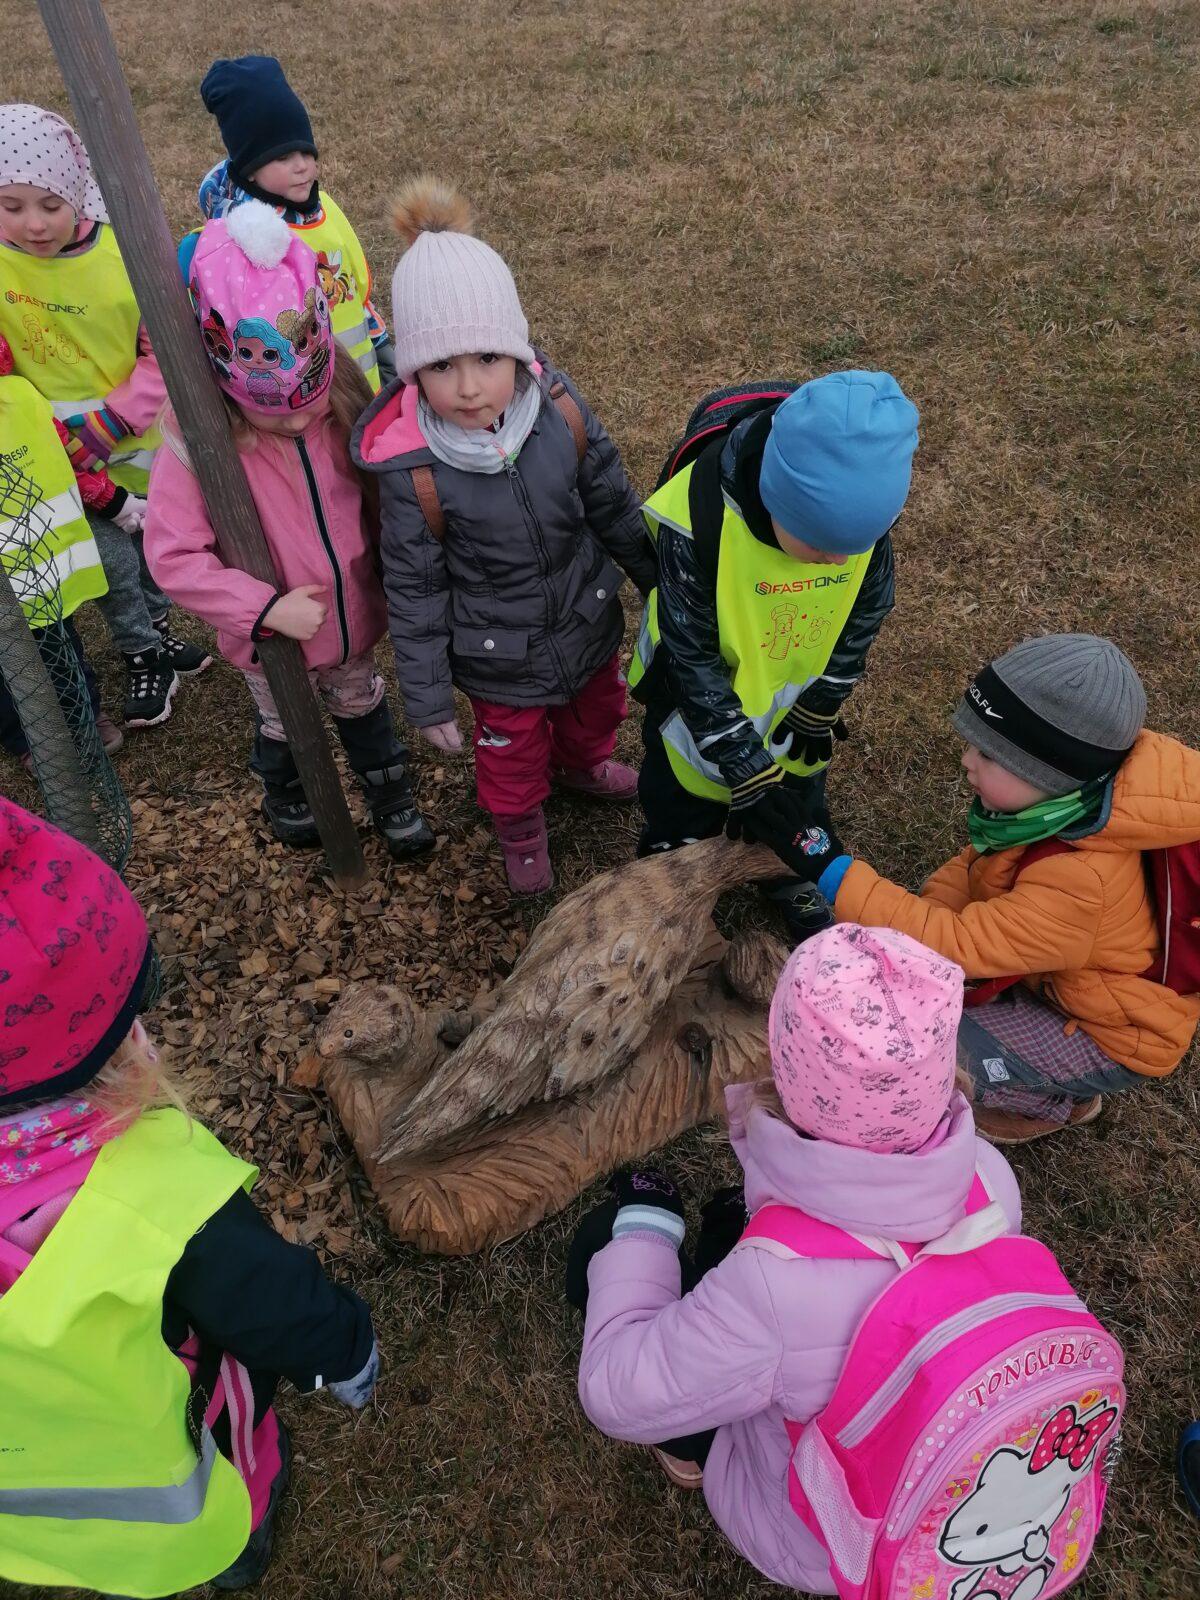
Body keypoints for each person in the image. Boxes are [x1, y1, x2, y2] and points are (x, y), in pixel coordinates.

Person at [569, 922, 1022, 1593]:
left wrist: (646, 1233)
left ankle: (691, 1450)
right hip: (938, 1494)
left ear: (789, 1072)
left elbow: (614, 1391)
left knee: (606, 1235)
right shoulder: (990, 1180)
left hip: (818, 1540)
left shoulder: (773, 1289)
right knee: (735, 1235)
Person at [0, 795, 379, 1595]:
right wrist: (347, 1349)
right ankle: (240, 1544)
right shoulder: (155, 1197)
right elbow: (273, 1302)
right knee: (228, 1480)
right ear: (106, 1056)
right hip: (170, 1462)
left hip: (32, 1489)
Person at [767, 633, 1200, 1142]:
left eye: (991, 756)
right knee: (917, 1003)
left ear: (1050, 772)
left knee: (924, 1058)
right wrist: (917, 948)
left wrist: (831, 868)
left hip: (1105, 1034)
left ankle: (1052, 1099)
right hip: (1063, 982)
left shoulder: (1083, 881)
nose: (967, 760)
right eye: (973, 743)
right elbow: (971, 870)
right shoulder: (1061, 809)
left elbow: (960, 944)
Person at [353, 180, 657, 893]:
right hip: (498, 658)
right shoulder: (413, 470)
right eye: (440, 366)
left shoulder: (559, 412)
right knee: (511, 755)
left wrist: (656, 574)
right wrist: (426, 696)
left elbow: (610, 498)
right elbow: (416, 589)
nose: (467, 387)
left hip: (584, 621)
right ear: (411, 372)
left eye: (486, 359)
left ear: (517, 353)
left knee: (598, 707)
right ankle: (521, 831)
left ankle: (583, 766)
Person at [145, 201, 433, 858]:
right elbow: (172, 556)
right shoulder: (198, 446)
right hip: (270, 644)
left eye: (310, 411)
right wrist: (266, 609)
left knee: (365, 712)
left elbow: (380, 497)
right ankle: (287, 793)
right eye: (279, 419)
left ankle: (390, 795)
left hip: (352, 619)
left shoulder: (345, 403)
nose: (302, 425)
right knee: (281, 726)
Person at [629, 371, 915, 943]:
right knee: (682, 794)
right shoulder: (699, 521)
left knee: (796, 796)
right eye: (818, 547)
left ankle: (787, 869)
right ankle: (671, 863)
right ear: (772, 497)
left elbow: (868, 607)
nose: (837, 563)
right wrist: (739, 760)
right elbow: (691, 655)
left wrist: (828, 691)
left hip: (791, 703)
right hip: (696, 707)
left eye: (853, 549)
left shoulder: (857, 528)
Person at [0, 102, 212, 728]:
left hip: (133, 435)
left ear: (77, 194)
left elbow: (162, 352)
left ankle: (158, 628)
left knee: (151, 539)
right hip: (52, 449)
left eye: (49, 205)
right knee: (110, 558)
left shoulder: (127, 256)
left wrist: (114, 422)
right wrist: (56, 434)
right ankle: (140, 650)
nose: (33, 225)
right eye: (10, 207)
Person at [184, 55, 394, 391]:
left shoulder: (325, 206)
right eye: (282, 157)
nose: (302, 167)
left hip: (365, 387)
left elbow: (355, 288)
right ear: (251, 168)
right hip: (303, 399)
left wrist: (381, 344)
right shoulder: (243, 243)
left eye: (306, 152)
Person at [0, 331, 123, 758]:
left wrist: (110, 499)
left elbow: (66, 452)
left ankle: (84, 714)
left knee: (56, 638)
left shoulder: (20, 396)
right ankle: (27, 739)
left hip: (37, 560)